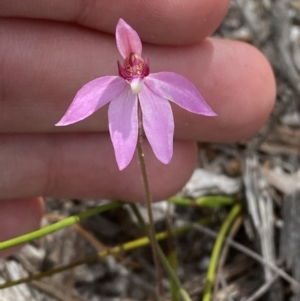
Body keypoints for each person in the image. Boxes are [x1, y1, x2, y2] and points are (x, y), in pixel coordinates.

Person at [0, 0, 275, 257]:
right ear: (122, 60)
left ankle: (158, 263)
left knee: (160, 146)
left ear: (142, 59)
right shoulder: (105, 87)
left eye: (137, 61)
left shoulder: (167, 83)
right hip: (123, 93)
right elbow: (79, 108)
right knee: (127, 147)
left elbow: (194, 102)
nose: (133, 65)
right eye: (129, 62)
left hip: (152, 91)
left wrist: (202, 107)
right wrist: (67, 117)